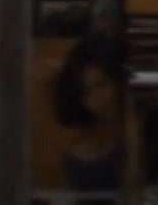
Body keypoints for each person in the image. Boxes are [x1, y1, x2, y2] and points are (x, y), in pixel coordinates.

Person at [54, 36, 125, 197]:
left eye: (102, 84)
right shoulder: (78, 155)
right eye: (87, 93)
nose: (97, 98)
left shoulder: (147, 135)